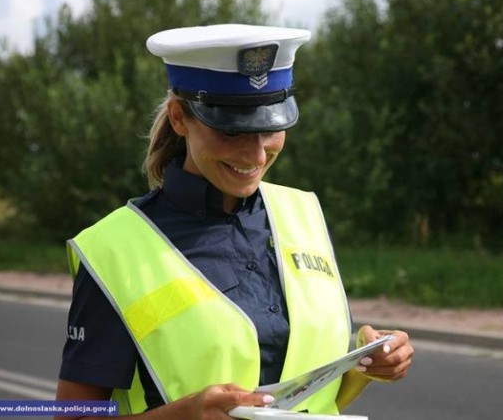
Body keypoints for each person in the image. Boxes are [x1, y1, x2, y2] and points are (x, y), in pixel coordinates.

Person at [55, 24, 414, 419]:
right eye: (232, 131)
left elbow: (304, 398)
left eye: (270, 129)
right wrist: (186, 414)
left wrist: (365, 363)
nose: (256, 155)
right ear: (178, 117)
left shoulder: (304, 211)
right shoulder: (112, 250)